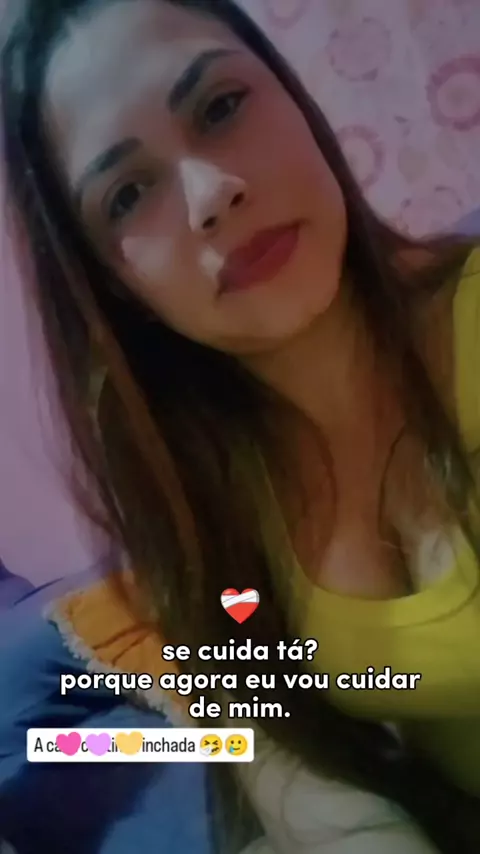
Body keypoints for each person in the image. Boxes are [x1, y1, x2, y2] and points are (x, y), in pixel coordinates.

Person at [0, 0, 479, 851]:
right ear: (112, 285)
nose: (211, 194)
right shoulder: (204, 492)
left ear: (294, 98)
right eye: (128, 194)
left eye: (221, 106)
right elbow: (260, 728)